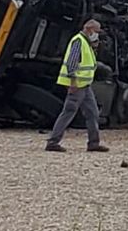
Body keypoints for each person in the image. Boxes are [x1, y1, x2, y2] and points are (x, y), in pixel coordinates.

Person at [45, 18, 110, 153]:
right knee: (68, 112)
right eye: (97, 31)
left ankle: (93, 143)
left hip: (85, 85)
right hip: (77, 85)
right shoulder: (78, 41)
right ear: (89, 29)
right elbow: (72, 62)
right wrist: (73, 82)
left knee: (93, 113)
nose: (97, 35)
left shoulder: (86, 42)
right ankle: (53, 142)